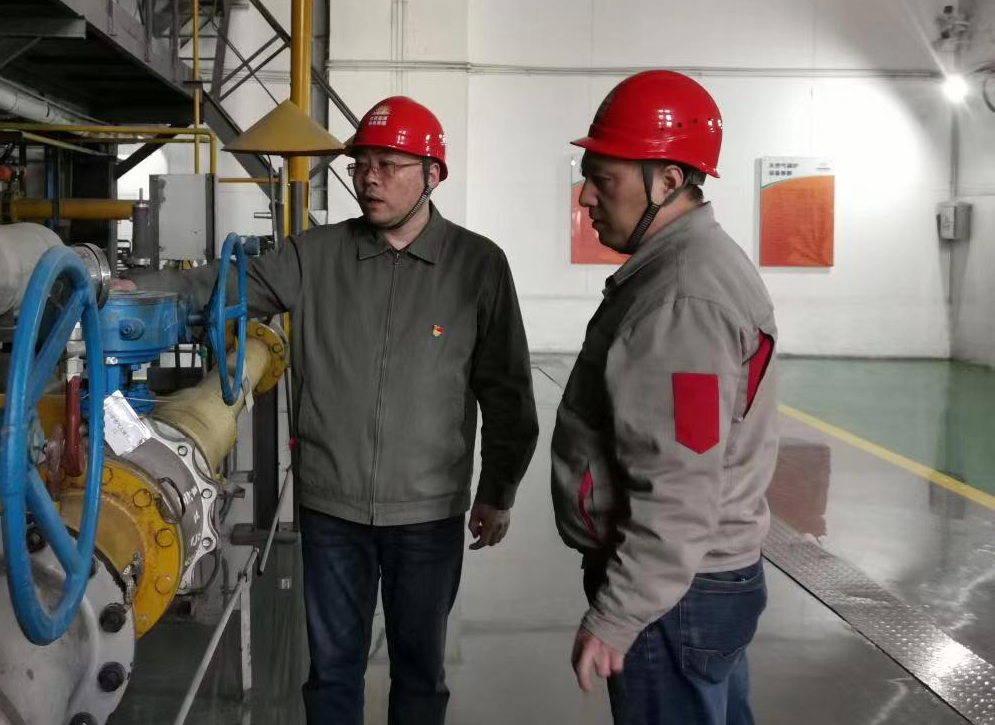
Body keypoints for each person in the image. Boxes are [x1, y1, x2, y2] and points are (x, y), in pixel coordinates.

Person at [135, 96, 538, 725]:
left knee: (420, 674)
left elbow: (506, 385)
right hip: (332, 511)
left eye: (388, 165)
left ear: (433, 174)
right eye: (361, 165)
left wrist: (499, 488)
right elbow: (226, 286)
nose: (369, 179)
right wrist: (135, 289)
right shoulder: (314, 256)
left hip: (428, 512)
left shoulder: (477, 264)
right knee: (330, 675)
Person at [549, 70, 779, 725]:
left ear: (668, 179)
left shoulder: (683, 298)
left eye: (604, 179)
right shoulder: (692, 267)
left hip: (674, 597)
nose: (586, 197)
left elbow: (680, 485)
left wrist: (618, 614)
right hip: (695, 583)